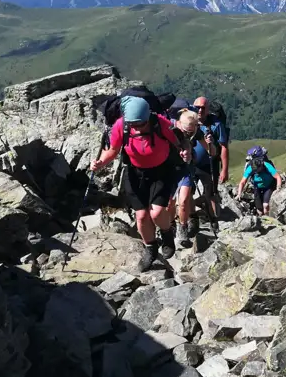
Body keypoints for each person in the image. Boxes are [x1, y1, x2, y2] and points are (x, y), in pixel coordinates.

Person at [90, 96, 190, 272]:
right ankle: (150, 248)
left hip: (161, 172)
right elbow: (113, 151)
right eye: (135, 125)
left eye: (142, 124)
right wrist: (99, 163)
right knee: (142, 216)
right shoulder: (122, 126)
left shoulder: (160, 123)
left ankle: (167, 233)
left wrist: (184, 152)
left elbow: (180, 141)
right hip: (135, 174)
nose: (139, 128)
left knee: (157, 213)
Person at [172, 110, 217, 247]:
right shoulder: (169, 129)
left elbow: (212, 152)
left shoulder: (196, 132)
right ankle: (169, 229)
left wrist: (210, 143)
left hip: (187, 168)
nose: (188, 134)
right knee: (171, 203)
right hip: (170, 169)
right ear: (179, 123)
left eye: (192, 131)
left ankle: (182, 230)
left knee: (184, 199)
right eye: (186, 131)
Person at [236, 147, 282, 216]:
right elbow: (242, 182)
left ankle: (269, 220)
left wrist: (278, 188)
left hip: (269, 186)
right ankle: (262, 220)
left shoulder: (266, 165)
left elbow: (278, 177)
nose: (257, 172)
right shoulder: (250, 168)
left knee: (265, 205)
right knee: (259, 210)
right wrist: (239, 194)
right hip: (257, 187)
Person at [194, 97, 230, 186]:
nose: (200, 110)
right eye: (197, 107)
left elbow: (224, 147)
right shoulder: (188, 121)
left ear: (208, 110)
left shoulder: (216, 125)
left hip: (210, 165)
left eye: (203, 108)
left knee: (211, 195)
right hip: (191, 164)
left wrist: (224, 170)